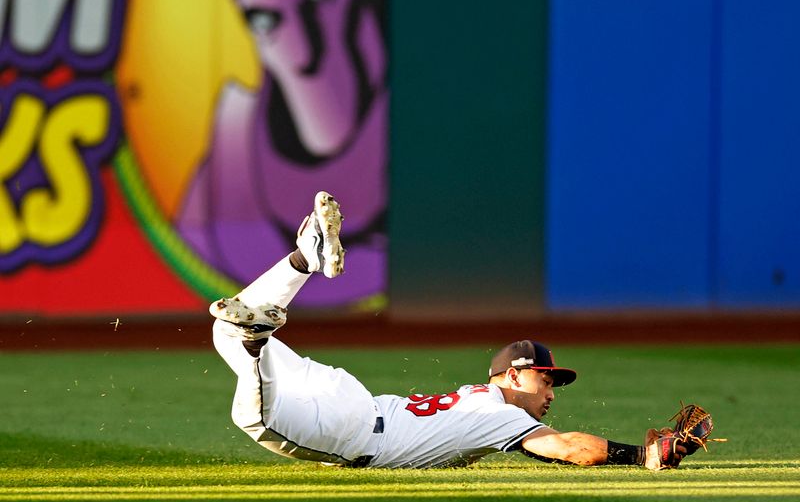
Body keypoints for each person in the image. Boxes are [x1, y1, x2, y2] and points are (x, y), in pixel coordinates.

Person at [211, 191, 688, 470]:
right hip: (352, 428)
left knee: (222, 331)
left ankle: (303, 260)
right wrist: (642, 455)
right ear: (515, 376)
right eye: (546, 379)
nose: (552, 392)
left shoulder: (477, 396)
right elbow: (566, 448)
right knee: (252, 413)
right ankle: (257, 340)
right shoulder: (502, 415)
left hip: (355, 401)